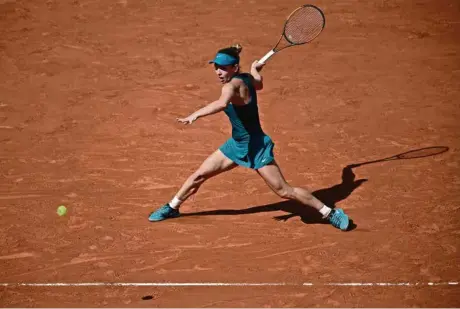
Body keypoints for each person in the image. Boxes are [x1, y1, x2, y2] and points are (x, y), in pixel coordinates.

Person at [148, 44, 350, 231]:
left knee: (284, 191)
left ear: (234, 68)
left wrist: (196, 114)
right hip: (236, 144)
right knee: (199, 175)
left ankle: (330, 212)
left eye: (224, 68)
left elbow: (221, 104)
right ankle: (172, 207)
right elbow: (259, 84)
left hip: (255, 146)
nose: (218, 72)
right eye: (216, 67)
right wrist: (255, 69)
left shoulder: (230, 87)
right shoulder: (246, 78)